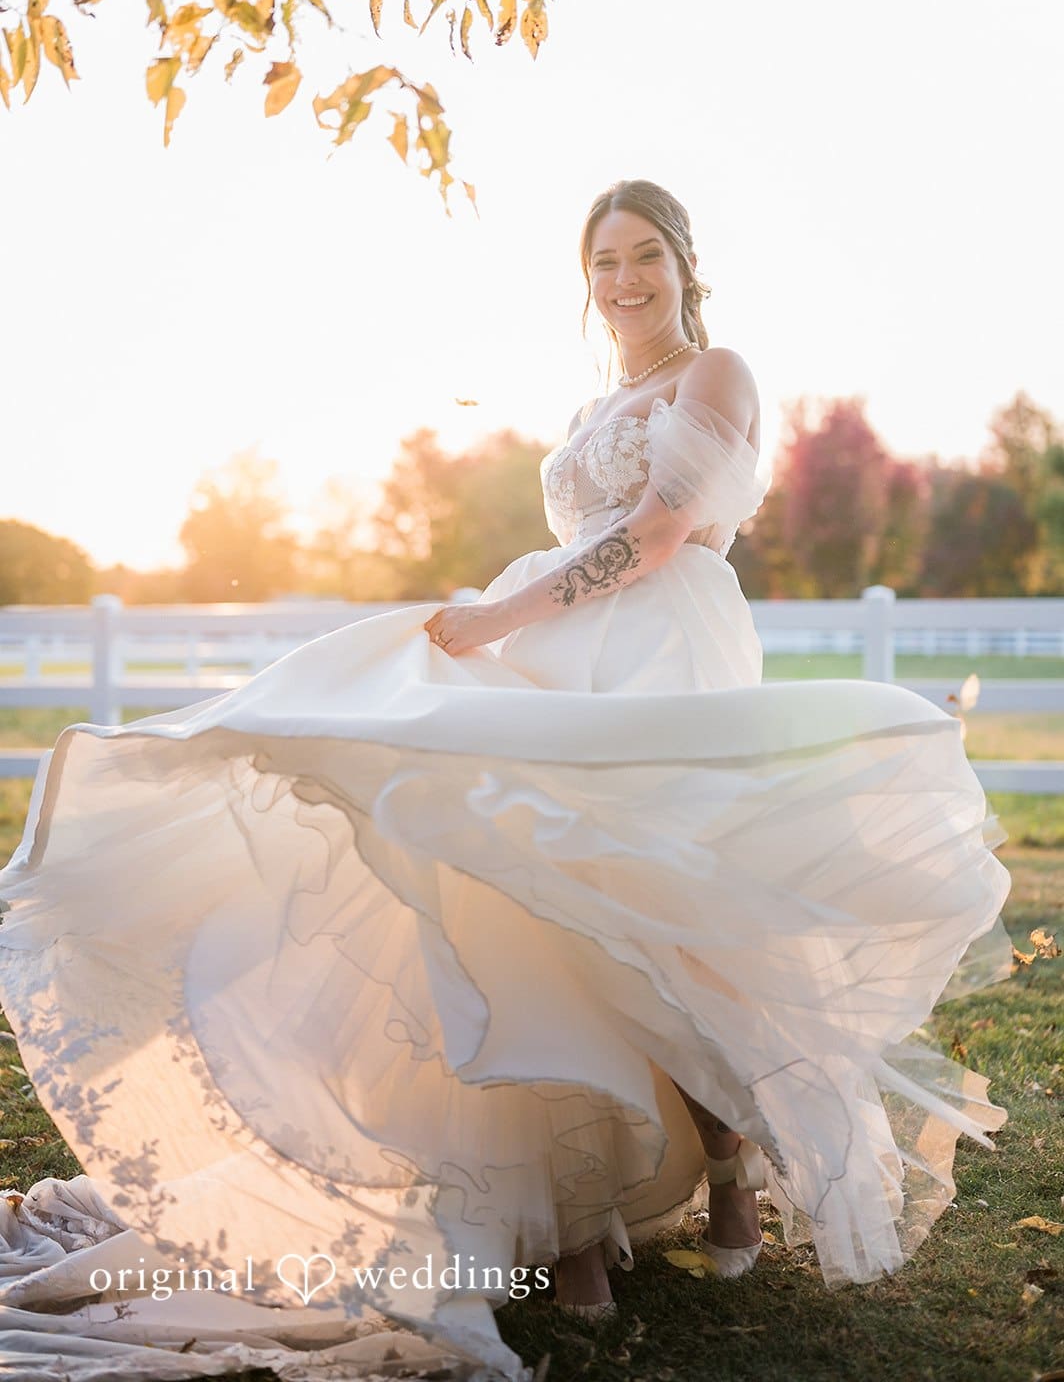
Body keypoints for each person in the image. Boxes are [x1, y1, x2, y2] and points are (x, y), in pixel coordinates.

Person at [0, 179, 1013, 1382]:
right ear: (583, 277)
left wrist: (497, 620)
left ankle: (731, 1189)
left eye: (645, 256)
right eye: (602, 261)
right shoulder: (600, 398)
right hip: (553, 645)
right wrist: (500, 622)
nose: (624, 279)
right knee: (524, 906)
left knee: (664, 924)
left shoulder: (716, 372)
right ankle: (570, 1220)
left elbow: (655, 533)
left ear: (687, 265)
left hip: (658, 656)